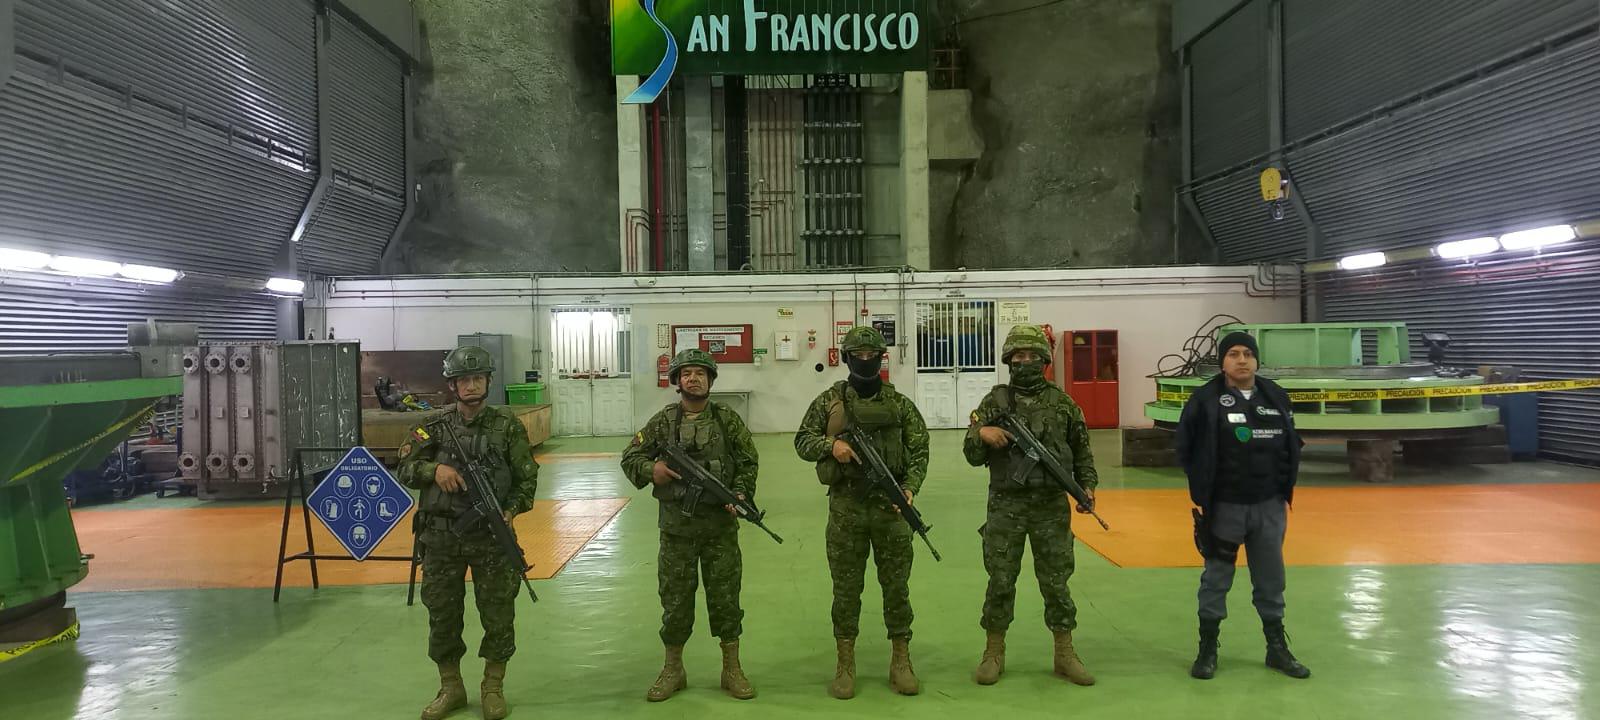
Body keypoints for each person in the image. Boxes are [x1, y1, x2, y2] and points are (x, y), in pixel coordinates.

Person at [398, 346, 541, 720]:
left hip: (490, 538)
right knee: (443, 613)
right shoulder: (433, 425)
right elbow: (405, 467)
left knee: (498, 613)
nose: (472, 386)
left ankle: (492, 687)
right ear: (452, 385)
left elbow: (527, 480)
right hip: (441, 539)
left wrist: (510, 510)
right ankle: (451, 688)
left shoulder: (507, 426)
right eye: (465, 380)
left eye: (478, 379)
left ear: (488, 383)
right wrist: (434, 472)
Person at [793, 326, 931, 699]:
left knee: (897, 588)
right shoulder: (829, 401)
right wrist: (831, 444)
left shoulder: (900, 404)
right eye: (859, 356)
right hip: (846, 510)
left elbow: (919, 451)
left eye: (873, 356)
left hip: (891, 510)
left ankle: (900, 660)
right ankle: (845, 664)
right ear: (847, 358)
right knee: (846, 590)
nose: (866, 361)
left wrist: (910, 487)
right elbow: (802, 441)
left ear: (881, 359)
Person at [619, 348, 760, 702]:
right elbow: (630, 456)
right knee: (676, 602)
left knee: (726, 599)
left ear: (710, 379)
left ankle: (731, 668)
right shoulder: (663, 422)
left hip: (719, 530)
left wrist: (740, 494)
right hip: (676, 531)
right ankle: (673, 669)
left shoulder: (727, 419)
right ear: (677, 382)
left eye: (699, 373)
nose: (693, 378)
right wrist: (653, 470)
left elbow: (748, 460)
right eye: (686, 374)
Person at [963, 324, 1099, 686]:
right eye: (1018, 356)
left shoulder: (1064, 403)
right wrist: (982, 433)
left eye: (1032, 356)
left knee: (1056, 582)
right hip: (1006, 506)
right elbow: (970, 453)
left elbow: (1083, 451)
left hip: (1051, 507)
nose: (1025, 362)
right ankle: (993, 652)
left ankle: (1064, 653)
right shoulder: (995, 403)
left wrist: (1087, 487)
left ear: (1043, 360)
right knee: (1001, 580)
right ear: (1009, 360)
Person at [1176, 331, 1310, 680]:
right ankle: (1207, 649)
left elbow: (1291, 443)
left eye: (1248, 353)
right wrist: (1205, 491)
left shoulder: (1275, 395)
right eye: (1233, 353)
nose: (1241, 360)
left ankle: (1276, 649)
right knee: (1216, 578)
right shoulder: (1205, 399)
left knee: (1271, 579)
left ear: (1256, 360)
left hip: (1269, 506)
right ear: (1222, 361)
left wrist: (1282, 492)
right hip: (1225, 507)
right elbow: (1185, 448)